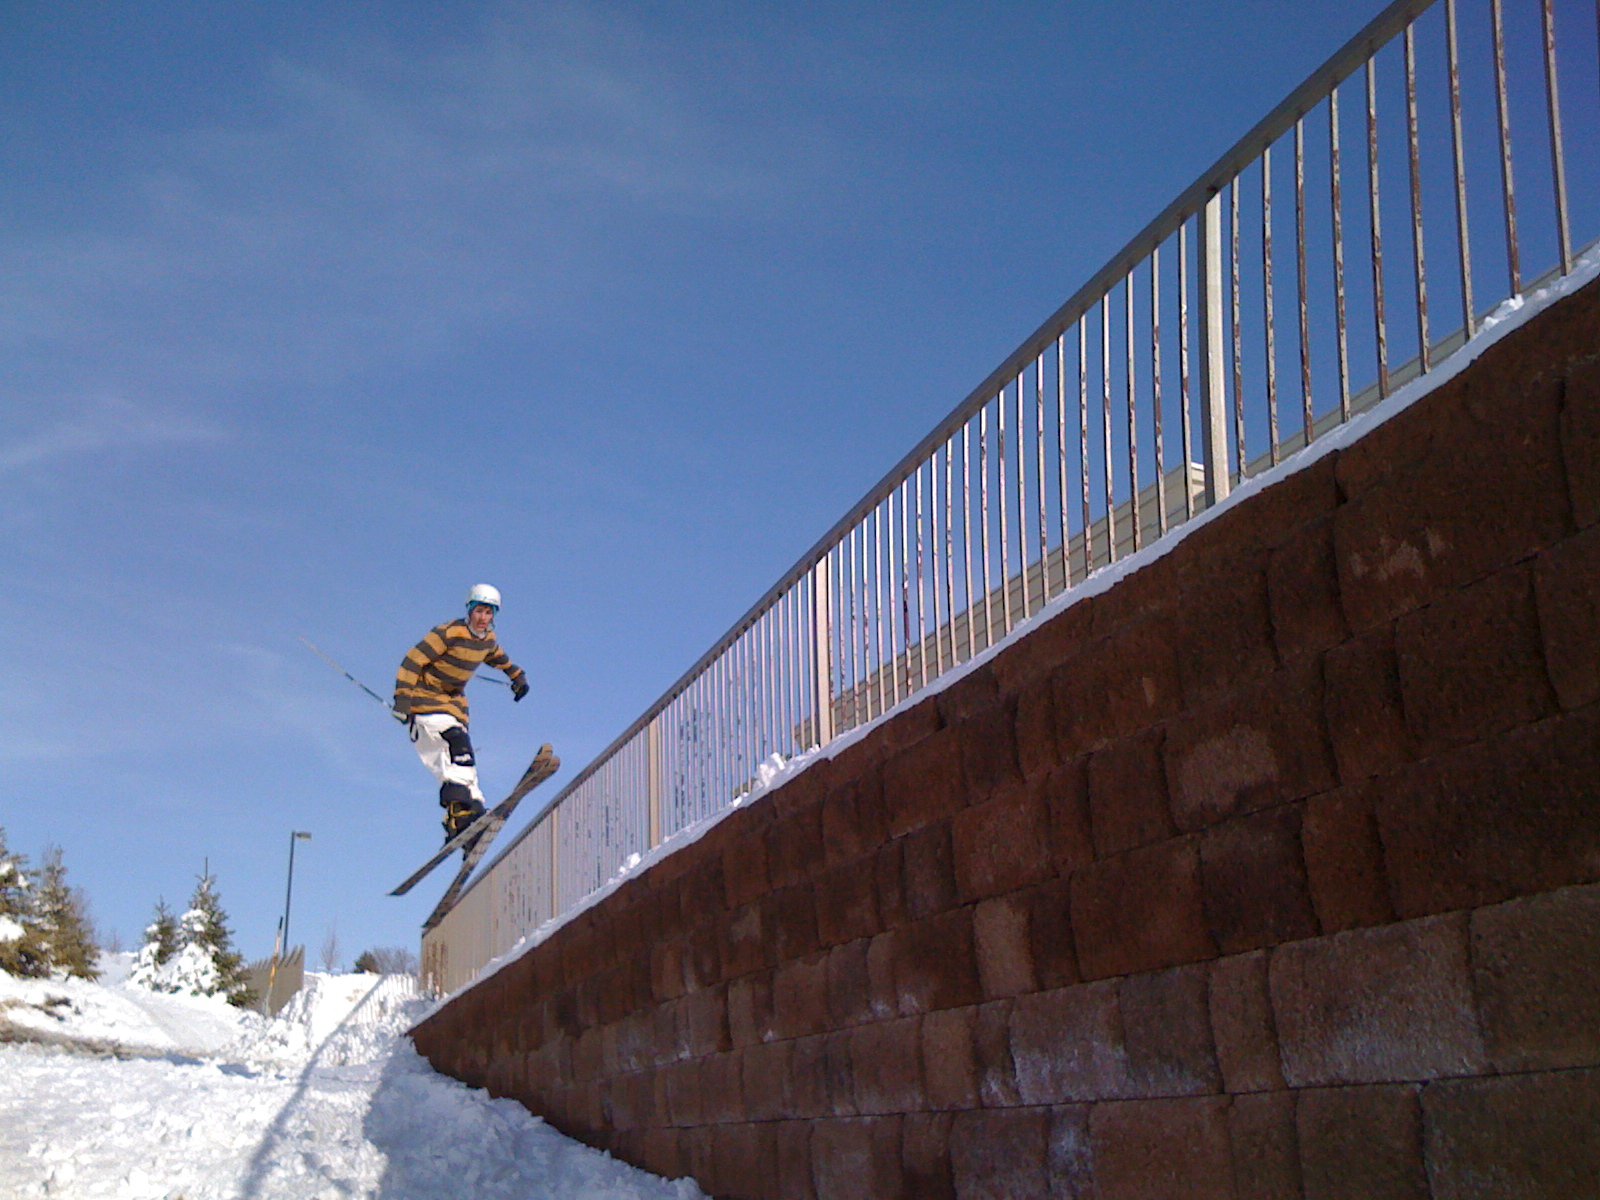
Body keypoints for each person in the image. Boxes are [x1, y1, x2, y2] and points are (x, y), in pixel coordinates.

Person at [394, 583, 530, 841]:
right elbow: (413, 660)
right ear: (470, 610)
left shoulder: (488, 639)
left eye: (489, 613)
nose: (483, 619)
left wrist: (517, 677)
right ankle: (460, 814)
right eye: (479, 611)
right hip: (426, 701)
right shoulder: (448, 633)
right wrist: (402, 699)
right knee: (458, 746)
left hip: (453, 707)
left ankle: (472, 815)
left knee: (463, 761)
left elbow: (498, 657)